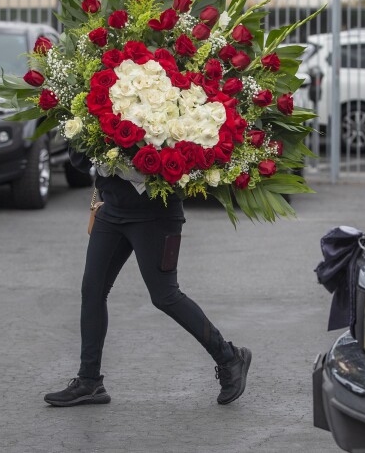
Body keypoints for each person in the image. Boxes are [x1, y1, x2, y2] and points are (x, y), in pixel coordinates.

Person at [44, 147, 251, 407]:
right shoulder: (94, 108)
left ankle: (229, 357)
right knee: (92, 290)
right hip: (112, 209)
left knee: (165, 296)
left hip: (157, 213)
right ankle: (89, 381)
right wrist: (86, 140)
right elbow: (79, 159)